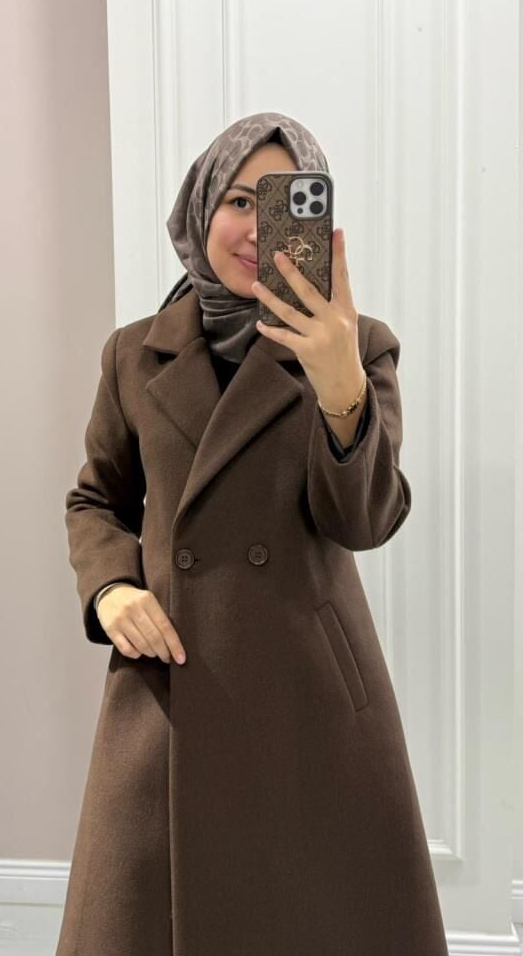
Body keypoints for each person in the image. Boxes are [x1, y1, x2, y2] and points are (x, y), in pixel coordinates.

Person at [56, 112, 449, 956]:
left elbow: (365, 520)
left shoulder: (359, 347)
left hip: (309, 699)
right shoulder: (134, 354)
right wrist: (112, 587)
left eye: (282, 203)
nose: (256, 228)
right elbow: (96, 500)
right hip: (169, 688)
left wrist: (340, 385)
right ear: (201, 207)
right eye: (239, 199)